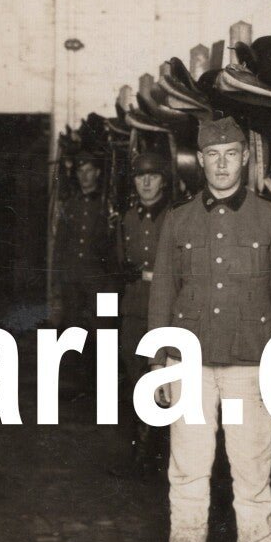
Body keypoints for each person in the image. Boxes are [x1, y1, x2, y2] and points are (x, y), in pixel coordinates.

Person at [147, 114, 271, 542]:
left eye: (230, 154)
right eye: (212, 156)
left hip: (250, 364)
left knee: (251, 469)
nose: (220, 165)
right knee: (188, 465)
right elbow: (164, 291)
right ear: (200, 160)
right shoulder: (179, 218)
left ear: (245, 158)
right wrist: (159, 360)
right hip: (189, 362)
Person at [111, 148, 175, 478]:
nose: (146, 183)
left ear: (163, 181)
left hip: (168, 313)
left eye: (152, 176)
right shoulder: (127, 219)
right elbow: (119, 264)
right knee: (136, 377)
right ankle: (142, 450)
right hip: (135, 310)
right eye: (140, 177)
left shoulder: (175, 217)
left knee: (164, 380)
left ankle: (159, 453)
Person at [52, 148, 115, 331]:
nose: (84, 176)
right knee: (72, 331)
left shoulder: (108, 205)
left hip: (102, 282)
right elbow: (59, 246)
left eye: (89, 170)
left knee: (105, 331)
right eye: (80, 171)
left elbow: (116, 250)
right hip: (73, 281)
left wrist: (111, 288)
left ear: (97, 172)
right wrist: (57, 284)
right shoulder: (70, 205)